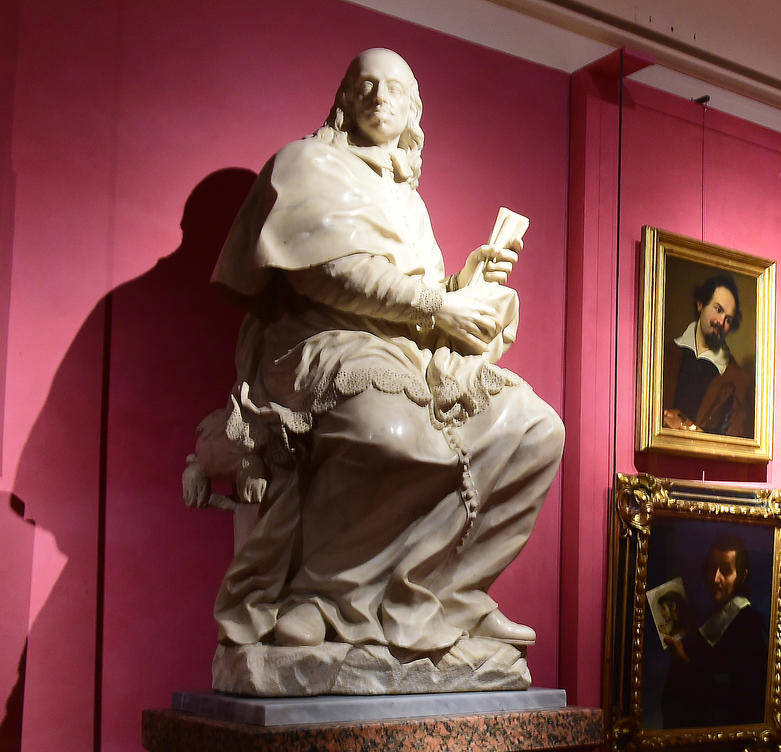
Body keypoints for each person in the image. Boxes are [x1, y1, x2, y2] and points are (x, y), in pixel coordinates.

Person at [186, 49, 564, 693]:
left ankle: (446, 596)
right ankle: (326, 598)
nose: (376, 95)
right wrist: (441, 304)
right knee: (390, 432)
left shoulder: (408, 202)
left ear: (414, 112)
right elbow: (328, 273)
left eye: (392, 87)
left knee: (537, 431)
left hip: (402, 351)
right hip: (318, 342)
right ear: (343, 98)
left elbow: (415, 305)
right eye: (363, 83)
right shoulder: (307, 163)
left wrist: (464, 287)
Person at [660, 536, 768, 729]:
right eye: (711, 568)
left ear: (741, 576)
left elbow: (737, 699)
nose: (715, 578)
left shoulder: (748, 626)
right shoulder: (715, 613)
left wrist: (684, 662)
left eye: (725, 571)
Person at [662, 273, 753, 437]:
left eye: (728, 319)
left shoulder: (738, 380)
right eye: (718, 310)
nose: (721, 322)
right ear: (700, 304)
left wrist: (686, 426)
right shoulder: (665, 353)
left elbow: (733, 443)